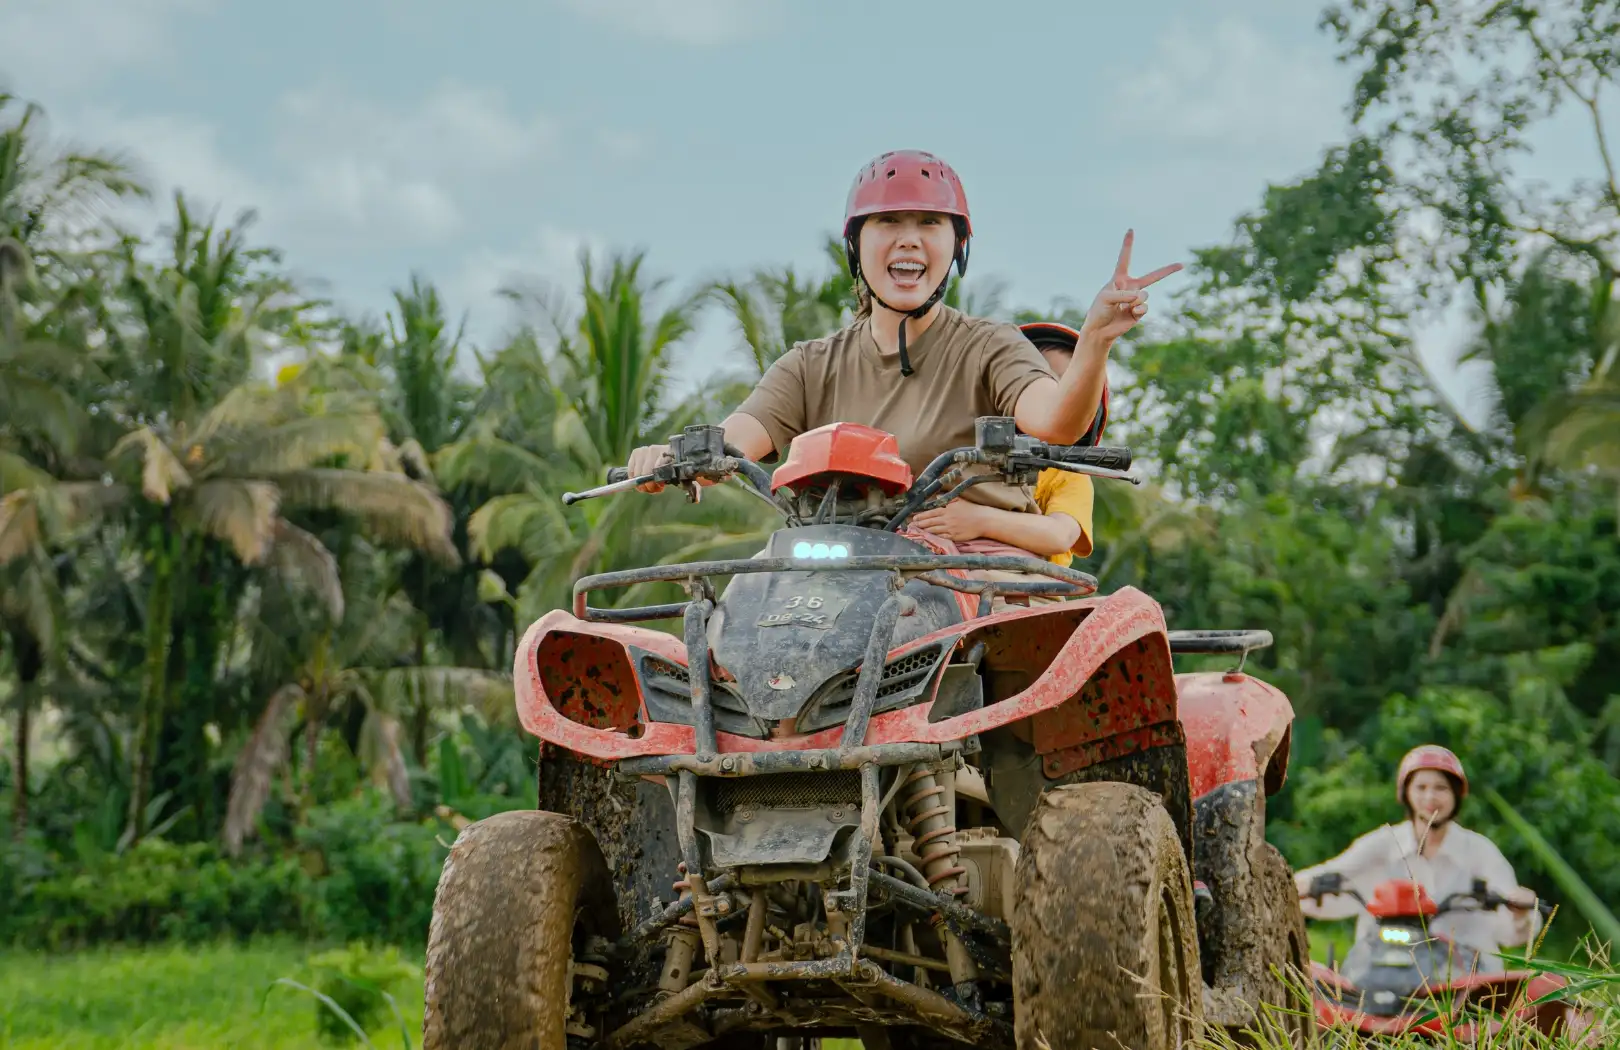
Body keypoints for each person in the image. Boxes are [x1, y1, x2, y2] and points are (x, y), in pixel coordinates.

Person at [626, 149, 1179, 547]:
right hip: (841, 576)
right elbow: (732, 443)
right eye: (888, 221)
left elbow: (1057, 422)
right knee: (736, 637)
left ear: (957, 246)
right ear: (856, 244)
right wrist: (673, 459)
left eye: (930, 223)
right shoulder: (807, 366)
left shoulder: (992, 347)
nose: (909, 237)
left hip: (978, 576)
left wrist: (1098, 338)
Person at [1292, 745, 1543, 975]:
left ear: (1456, 796)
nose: (1430, 797)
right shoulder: (1383, 842)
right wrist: (1294, 886)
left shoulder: (1479, 851)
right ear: (1406, 794)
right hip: (1384, 966)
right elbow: (1336, 871)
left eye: (1441, 788)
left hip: (1465, 976)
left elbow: (1513, 927)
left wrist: (1520, 909)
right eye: (1421, 788)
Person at [911, 321, 1101, 572]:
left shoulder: (1067, 472)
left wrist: (980, 521)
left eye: (1065, 386)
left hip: (1021, 585)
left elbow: (1060, 535)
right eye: (1035, 378)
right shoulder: (963, 450)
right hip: (933, 568)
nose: (1050, 393)